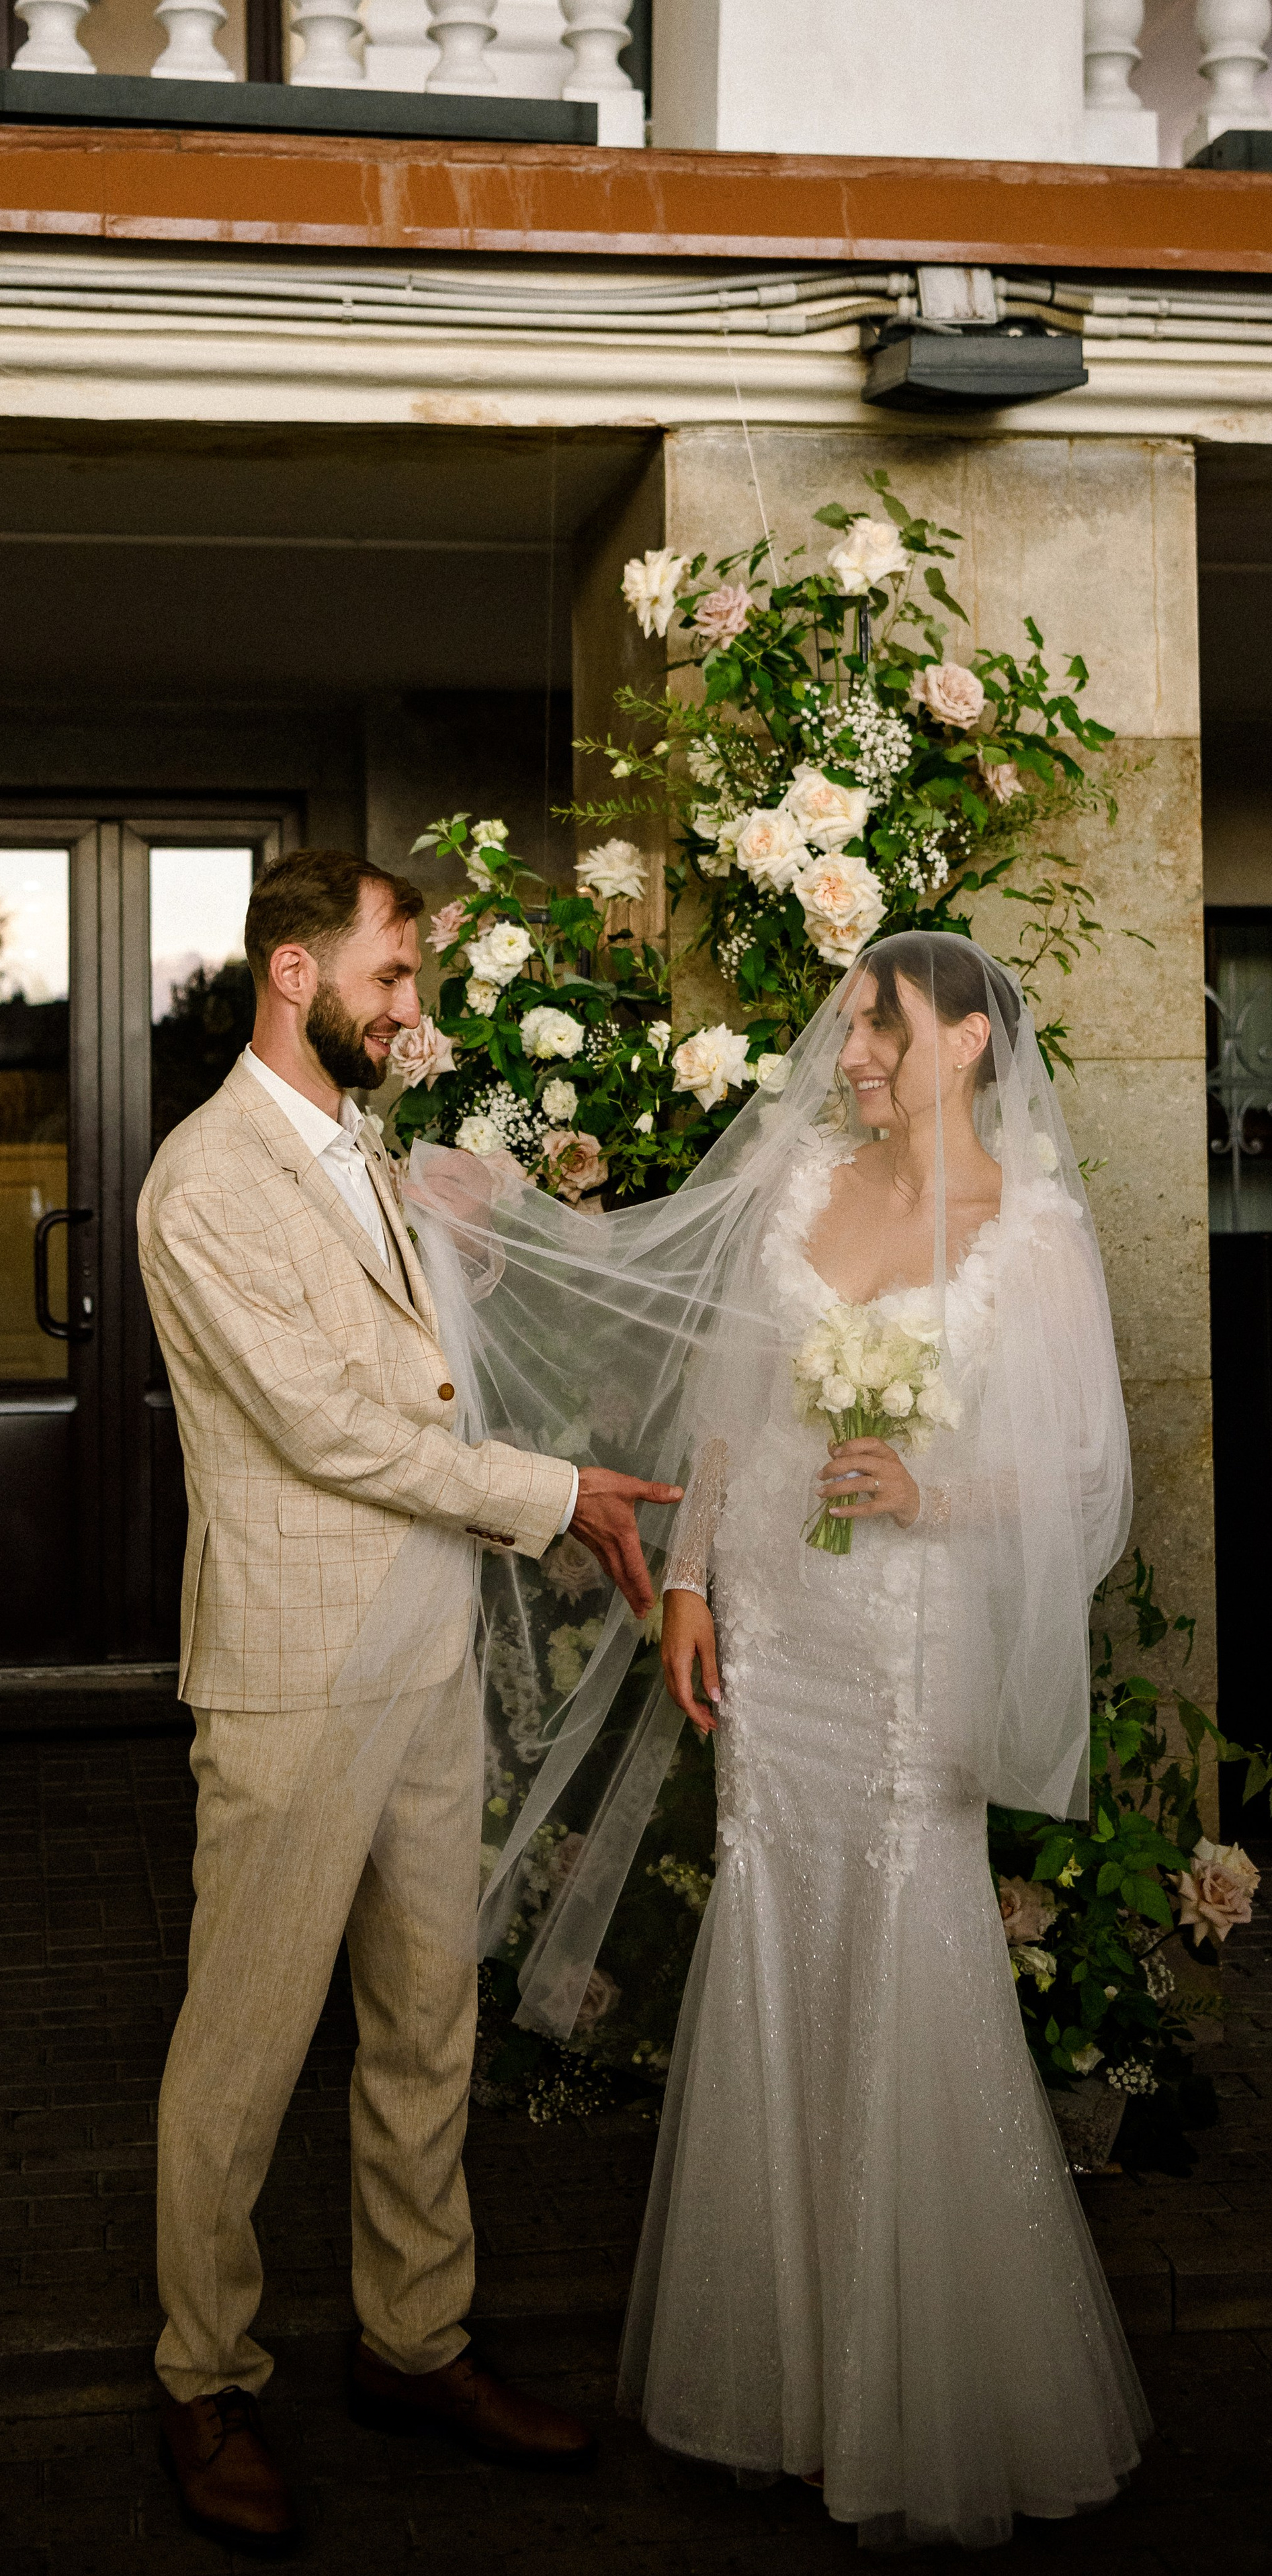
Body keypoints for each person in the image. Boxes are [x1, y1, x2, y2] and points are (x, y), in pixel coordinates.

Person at [409, 930, 1149, 2550]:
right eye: (853, 1025)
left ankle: (909, 2393)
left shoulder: (1029, 1238)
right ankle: (791, 2376)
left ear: (963, 1044)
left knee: (898, 1931)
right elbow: (732, 1402)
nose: (852, 1050)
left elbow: (1082, 1479)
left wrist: (928, 1489)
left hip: (903, 1636)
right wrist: (685, 1585)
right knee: (775, 1926)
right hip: (777, 1625)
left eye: (879, 1026)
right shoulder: (805, 1184)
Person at [138, 847, 679, 2557]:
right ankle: (204, 2378)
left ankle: (412, 2343)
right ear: (293, 972)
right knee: (243, 2050)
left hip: (425, 1652)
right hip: (295, 1676)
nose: (411, 1002)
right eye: (389, 971)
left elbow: (414, 1368)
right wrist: (552, 1496)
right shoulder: (202, 1181)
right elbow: (324, 1430)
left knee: (424, 2021)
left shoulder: (367, 1150)